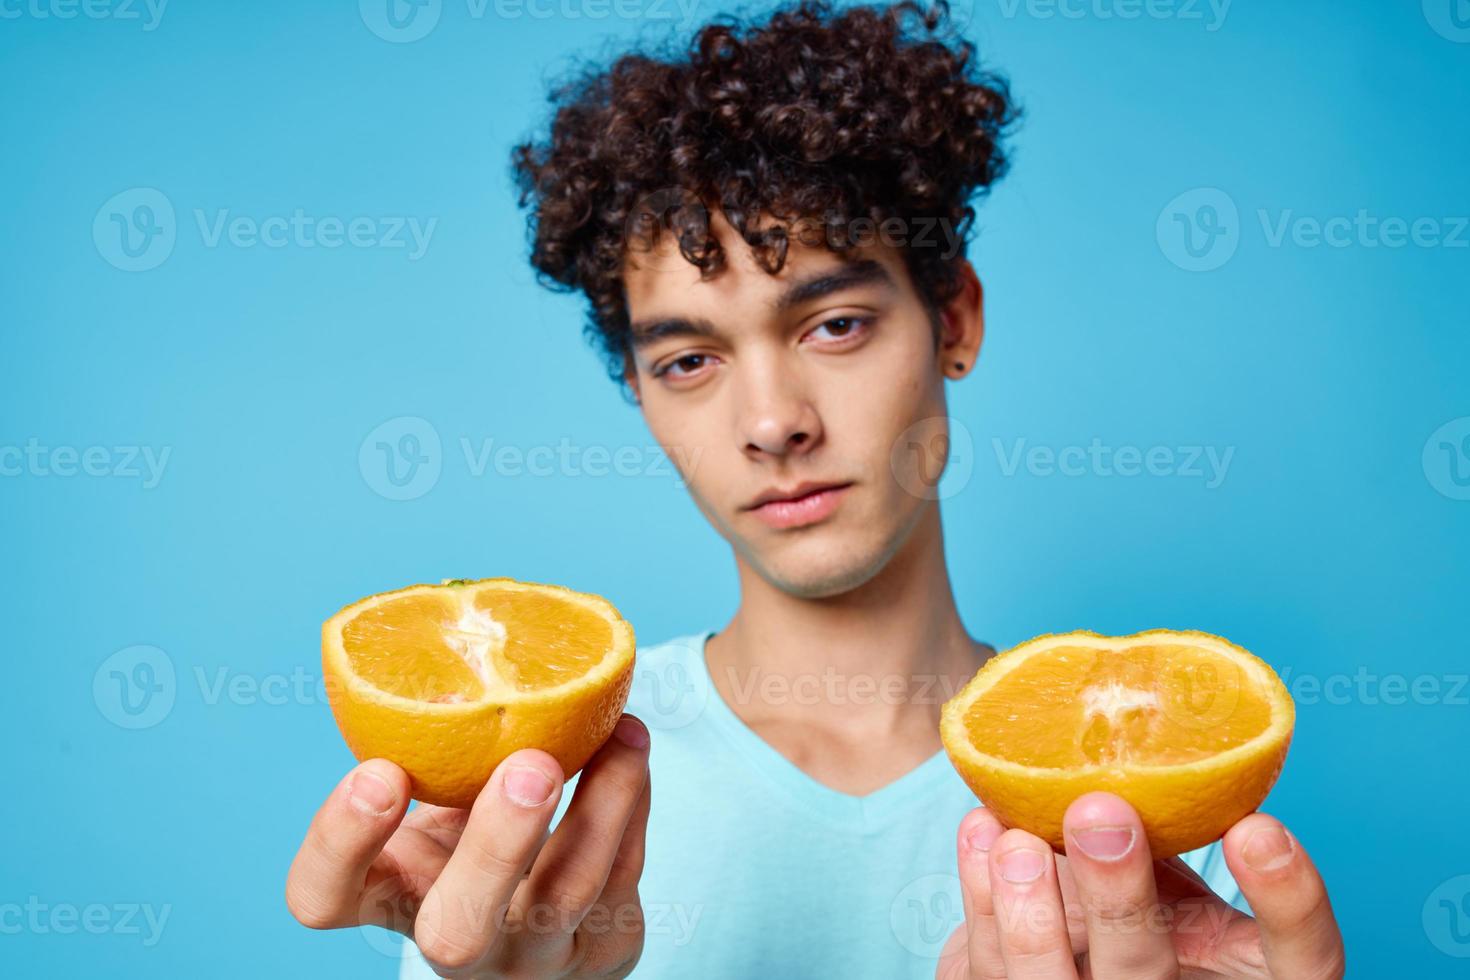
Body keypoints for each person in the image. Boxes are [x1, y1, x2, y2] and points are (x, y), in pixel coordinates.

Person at [286, 2, 1346, 976]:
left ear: (956, 319)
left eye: (834, 324)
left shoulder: (1135, 773)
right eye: (688, 359)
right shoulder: (542, 801)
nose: (772, 420)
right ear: (641, 395)